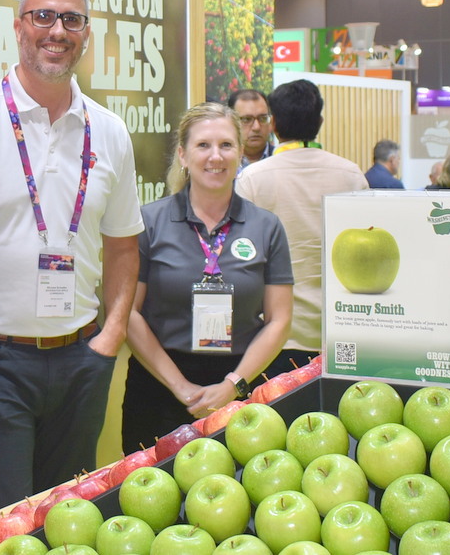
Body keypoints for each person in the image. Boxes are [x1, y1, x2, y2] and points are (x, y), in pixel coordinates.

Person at [0, 0, 143, 510]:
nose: (57, 31)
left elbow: (123, 245)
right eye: (43, 16)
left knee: (69, 519)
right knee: (5, 520)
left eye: (71, 19)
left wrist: (111, 336)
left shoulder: (109, 131)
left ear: (87, 33)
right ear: (18, 26)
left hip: (82, 359)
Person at [122, 102, 293, 453]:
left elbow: (279, 319)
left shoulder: (267, 227)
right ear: (183, 155)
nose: (216, 156)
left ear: (240, 153)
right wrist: (180, 386)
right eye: (203, 145)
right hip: (157, 388)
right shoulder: (148, 223)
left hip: (240, 385)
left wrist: (233, 385)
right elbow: (127, 313)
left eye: (226, 145)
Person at [236, 79, 368, 372]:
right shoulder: (350, 175)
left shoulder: (252, 179)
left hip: (274, 337)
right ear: (320, 121)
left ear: (274, 124)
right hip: (340, 332)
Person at [227, 88, 274, 170]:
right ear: (231, 123)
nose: (256, 127)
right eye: (246, 119)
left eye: (263, 118)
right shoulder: (222, 161)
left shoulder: (283, 161)